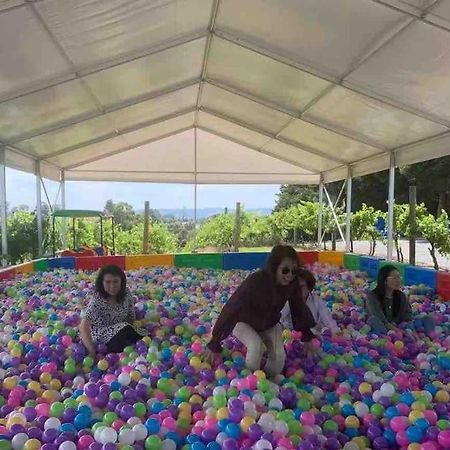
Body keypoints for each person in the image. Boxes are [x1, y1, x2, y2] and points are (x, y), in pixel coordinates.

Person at [204, 245, 316, 379]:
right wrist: (215, 341)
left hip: (269, 323)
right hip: (243, 322)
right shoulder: (255, 281)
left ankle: (267, 383)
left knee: (279, 357)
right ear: (275, 267)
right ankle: (249, 383)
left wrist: (307, 334)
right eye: (285, 270)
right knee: (256, 346)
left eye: (294, 270)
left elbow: (298, 307)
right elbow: (232, 307)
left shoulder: (292, 285)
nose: (290, 275)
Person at [79, 264, 146, 354]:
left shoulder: (126, 294)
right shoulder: (98, 300)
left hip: (124, 330)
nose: (112, 286)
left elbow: (131, 317)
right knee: (123, 332)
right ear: (102, 283)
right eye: (108, 282)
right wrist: (92, 351)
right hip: (103, 336)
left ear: (121, 282)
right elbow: (83, 326)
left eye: (115, 281)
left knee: (143, 336)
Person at [366, 264, 435, 335]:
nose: (398, 281)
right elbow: (380, 318)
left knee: (428, 318)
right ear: (384, 280)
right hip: (385, 330)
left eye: (399, 277)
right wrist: (399, 332)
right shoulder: (372, 296)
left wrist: (412, 332)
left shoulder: (401, 296)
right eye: (394, 278)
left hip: (401, 328)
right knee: (373, 320)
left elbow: (408, 317)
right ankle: (386, 340)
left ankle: (431, 338)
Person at [281, 268, 340, 336]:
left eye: (301, 287)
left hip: (312, 335)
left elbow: (327, 318)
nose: (297, 291)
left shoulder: (316, 300)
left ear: (308, 287)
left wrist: (336, 333)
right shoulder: (288, 300)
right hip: (291, 336)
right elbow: (278, 319)